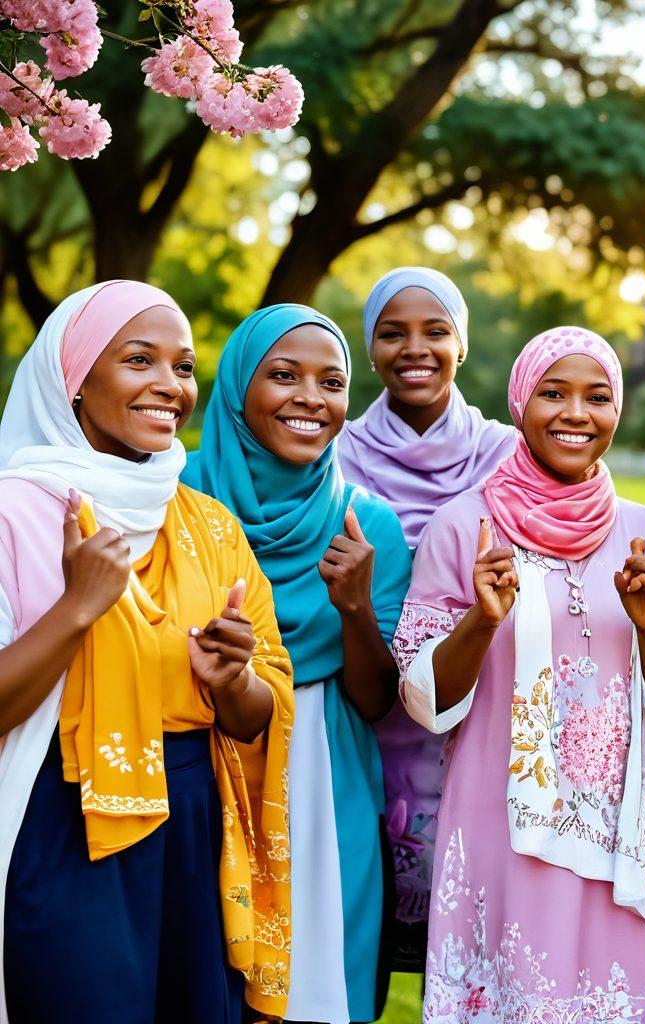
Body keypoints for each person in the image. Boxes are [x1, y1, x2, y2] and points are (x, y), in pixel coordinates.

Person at [394, 325, 645, 1021]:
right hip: (499, 831)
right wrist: (481, 617)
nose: (576, 413)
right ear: (519, 402)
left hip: (618, 839)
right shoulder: (465, 527)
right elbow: (425, 697)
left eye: (597, 396)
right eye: (554, 393)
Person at [0, 281, 293, 1024]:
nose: (170, 386)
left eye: (185, 367)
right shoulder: (16, 511)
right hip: (63, 821)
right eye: (140, 360)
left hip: (196, 823)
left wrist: (232, 682)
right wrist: (78, 607)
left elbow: (262, 710)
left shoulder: (210, 525)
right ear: (72, 379)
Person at [183, 304, 411, 1023]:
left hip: (323, 772)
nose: (312, 398)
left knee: (320, 985)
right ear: (239, 389)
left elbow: (375, 703)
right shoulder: (177, 497)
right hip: (200, 759)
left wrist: (354, 607)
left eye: (332, 382)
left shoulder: (367, 524)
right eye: (284, 376)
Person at [338, 267, 515, 967]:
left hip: (477, 717)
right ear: (371, 350)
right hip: (364, 716)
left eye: (435, 331)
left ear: (461, 345)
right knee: (363, 936)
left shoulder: (506, 454)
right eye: (393, 333)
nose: (415, 348)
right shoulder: (336, 453)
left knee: (480, 952)